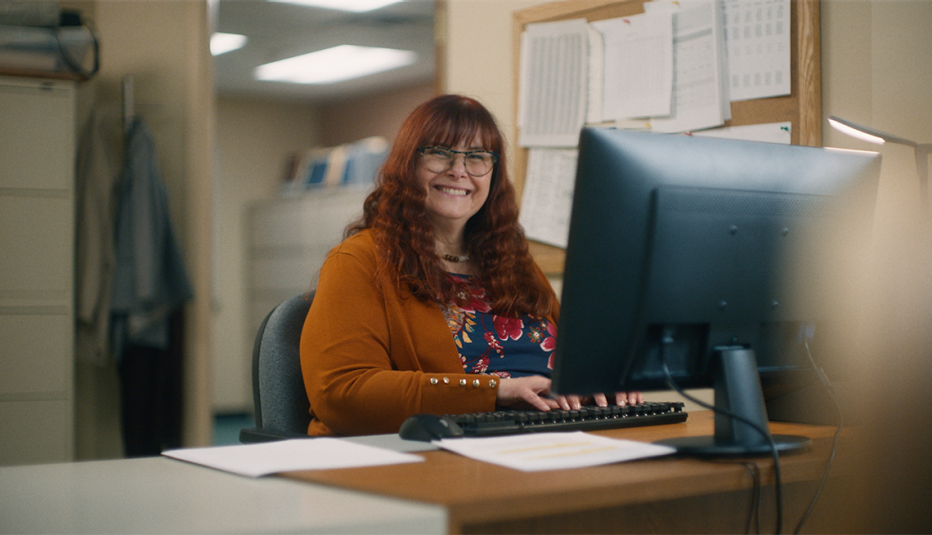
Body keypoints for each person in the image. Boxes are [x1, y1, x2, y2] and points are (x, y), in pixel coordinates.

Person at [300, 94, 640, 436]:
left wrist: (600, 381)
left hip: (548, 437)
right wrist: (495, 393)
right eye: (439, 153)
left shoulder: (513, 261)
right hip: (436, 452)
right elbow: (341, 392)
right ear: (408, 164)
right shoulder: (358, 261)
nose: (458, 171)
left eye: (476, 157)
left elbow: (573, 360)